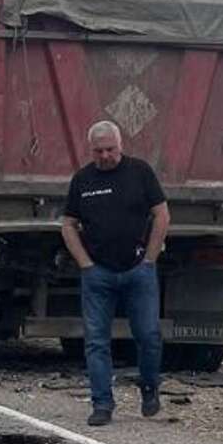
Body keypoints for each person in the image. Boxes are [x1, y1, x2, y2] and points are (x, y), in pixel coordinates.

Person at [62, 120, 169, 427]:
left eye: (110, 149)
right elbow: (68, 224)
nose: (105, 156)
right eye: (99, 151)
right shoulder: (82, 181)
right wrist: (85, 263)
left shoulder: (140, 172)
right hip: (98, 274)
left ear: (121, 146)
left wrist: (150, 258)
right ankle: (102, 404)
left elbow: (161, 213)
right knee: (96, 340)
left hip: (139, 271)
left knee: (148, 335)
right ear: (90, 150)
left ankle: (149, 388)